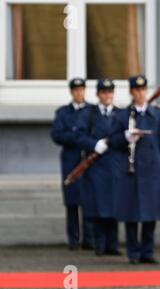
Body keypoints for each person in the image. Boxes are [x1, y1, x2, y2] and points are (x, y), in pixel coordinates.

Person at [109, 75, 160, 264]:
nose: (140, 93)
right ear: (131, 92)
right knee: (131, 213)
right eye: (137, 90)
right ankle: (133, 252)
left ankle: (148, 251)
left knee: (150, 213)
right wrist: (125, 137)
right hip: (130, 170)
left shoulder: (157, 116)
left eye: (143, 90)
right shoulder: (122, 116)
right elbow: (112, 141)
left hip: (152, 170)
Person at [76, 78, 121, 256]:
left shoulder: (120, 114)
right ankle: (100, 244)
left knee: (114, 206)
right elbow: (78, 136)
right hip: (97, 166)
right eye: (104, 92)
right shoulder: (89, 114)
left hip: (115, 166)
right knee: (98, 207)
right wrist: (93, 144)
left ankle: (113, 244)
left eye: (110, 92)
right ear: (98, 95)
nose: (107, 95)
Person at [51, 78, 94, 251]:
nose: (79, 93)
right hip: (70, 158)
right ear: (71, 92)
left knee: (89, 200)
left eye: (81, 89)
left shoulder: (92, 111)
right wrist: (76, 136)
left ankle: (89, 239)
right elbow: (57, 135)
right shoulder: (63, 113)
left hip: (88, 159)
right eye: (76, 90)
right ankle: (74, 239)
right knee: (72, 201)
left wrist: (78, 135)